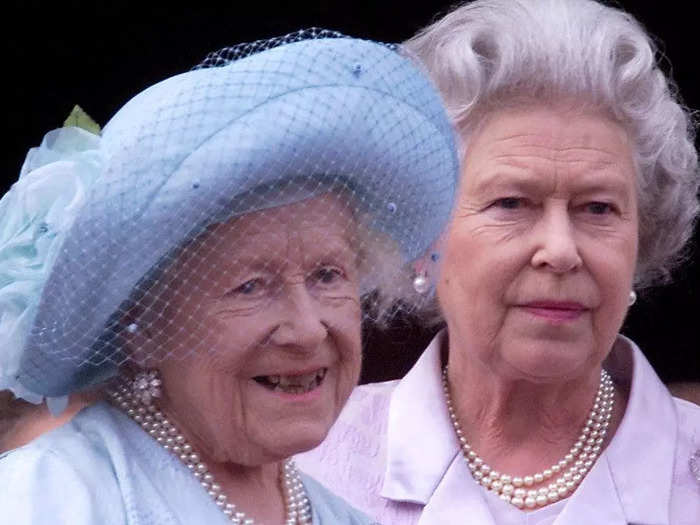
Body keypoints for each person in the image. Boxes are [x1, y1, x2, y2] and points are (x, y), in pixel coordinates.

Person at [0, 30, 458, 524]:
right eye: (252, 286)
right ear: (144, 328)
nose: (307, 330)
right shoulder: (51, 498)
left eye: (328, 275)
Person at [296, 2, 700, 523]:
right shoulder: (305, 467)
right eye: (511, 203)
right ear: (421, 234)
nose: (560, 250)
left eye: (598, 208)